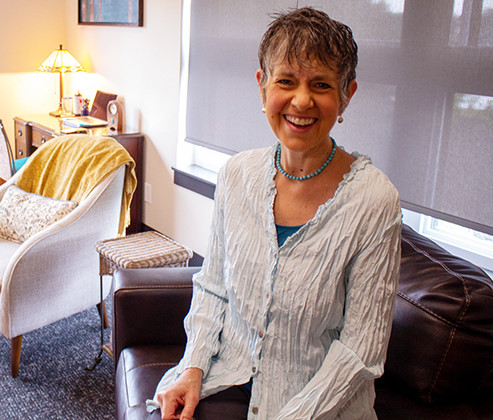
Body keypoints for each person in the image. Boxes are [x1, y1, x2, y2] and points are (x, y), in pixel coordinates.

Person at [148, 7, 402, 420]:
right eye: (286, 80)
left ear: (346, 96)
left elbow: (360, 350)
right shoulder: (236, 175)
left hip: (320, 406)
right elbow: (213, 287)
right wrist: (192, 368)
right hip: (227, 378)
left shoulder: (375, 200)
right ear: (262, 87)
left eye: (321, 84)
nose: (302, 100)